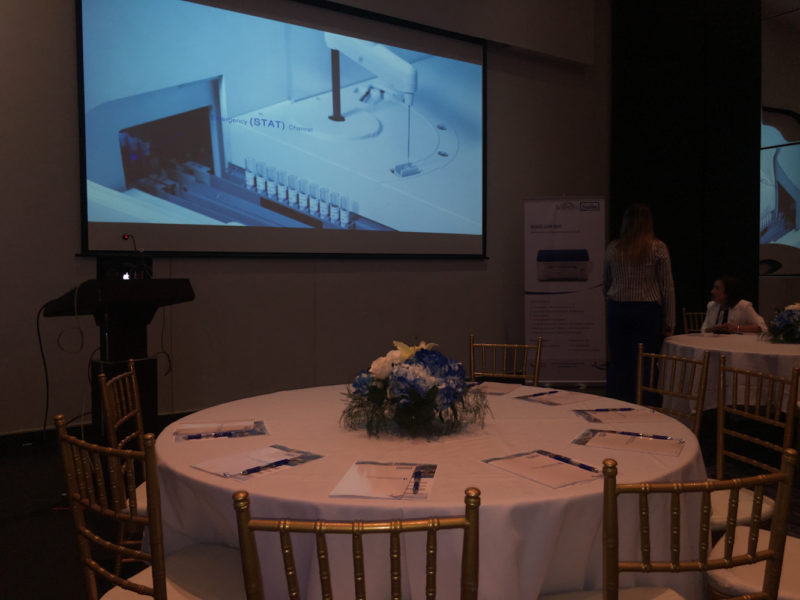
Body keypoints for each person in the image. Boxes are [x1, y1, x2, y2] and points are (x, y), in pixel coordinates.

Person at [603, 203, 675, 403]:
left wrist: (610, 301)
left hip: (617, 308)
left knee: (618, 359)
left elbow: (606, 281)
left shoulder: (613, 248)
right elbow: (667, 287)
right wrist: (670, 319)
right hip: (646, 311)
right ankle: (644, 404)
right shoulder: (658, 248)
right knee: (644, 361)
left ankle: (616, 403)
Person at [701, 276, 767, 334]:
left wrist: (736, 328)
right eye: (713, 287)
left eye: (717, 288)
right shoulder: (711, 306)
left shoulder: (744, 306)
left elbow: (762, 327)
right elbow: (703, 329)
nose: (712, 291)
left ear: (728, 292)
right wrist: (714, 329)